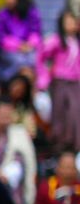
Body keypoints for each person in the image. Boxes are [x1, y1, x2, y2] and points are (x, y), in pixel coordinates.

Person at [37, 10, 80, 151]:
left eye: (73, 21)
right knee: (59, 112)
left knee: (75, 112)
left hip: (76, 82)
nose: (71, 24)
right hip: (60, 81)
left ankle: (75, 143)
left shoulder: (76, 42)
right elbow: (41, 57)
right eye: (67, 22)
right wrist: (43, 78)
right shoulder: (56, 40)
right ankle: (59, 144)